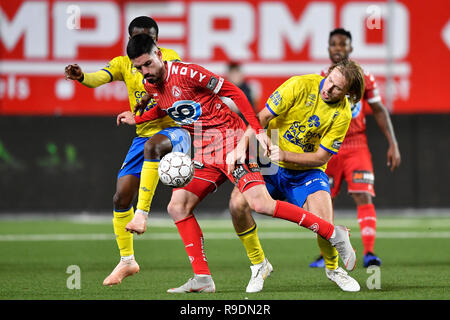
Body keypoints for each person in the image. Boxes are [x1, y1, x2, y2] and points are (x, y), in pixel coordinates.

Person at [117, 33, 359, 293]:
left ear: (159, 55)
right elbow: (168, 107)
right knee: (178, 206)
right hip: (205, 147)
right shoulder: (151, 83)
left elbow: (234, 92)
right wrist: (138, 118)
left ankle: (333, 234)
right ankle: (203, 278)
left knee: (260, 204)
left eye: (148, 64)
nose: (144, 71)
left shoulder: (188, 73)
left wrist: (255, 131)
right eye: (139, 67)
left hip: (232, 138)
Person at [64, 16, 189, 286]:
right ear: (130, 38)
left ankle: (142, 215)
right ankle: (127, 261)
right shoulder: (124, 63)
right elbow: (100, 77)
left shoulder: (168, 57)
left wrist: (151, 94)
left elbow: (173, 89)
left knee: (153, 146)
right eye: (137, 36)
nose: (143, 40)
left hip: (175, 130)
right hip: (142, 134)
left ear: (156, 40)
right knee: (121, 198)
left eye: (149, 36)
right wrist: (82, 76)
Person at [309, 28, 401, 269]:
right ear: (328, 49)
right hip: (328, 146)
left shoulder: (364, 77)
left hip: (356, 144)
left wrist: (393, 143)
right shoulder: (320, 78)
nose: (338, 48)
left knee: (363, 194)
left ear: (351, 48)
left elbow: (379, 110)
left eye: (343, 44)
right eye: (333, 44)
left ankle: (369, 252)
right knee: (322, 200)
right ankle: (327, 252)